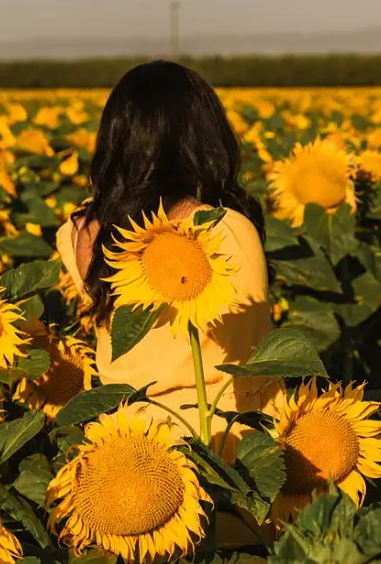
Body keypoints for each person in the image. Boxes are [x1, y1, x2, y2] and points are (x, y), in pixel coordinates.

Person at [54, 60, 284, 447]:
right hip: (234, 439)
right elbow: (252, 350)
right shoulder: (226, 228)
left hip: (131, 448)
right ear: (206, 137)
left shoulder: (79, 232)